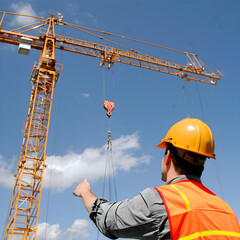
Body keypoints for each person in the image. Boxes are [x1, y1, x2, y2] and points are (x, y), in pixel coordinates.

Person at [73, 118, 240, 239]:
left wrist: (85, 192)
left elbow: (108, 220)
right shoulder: (226, 211)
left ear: (168, 156)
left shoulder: (163, 201)